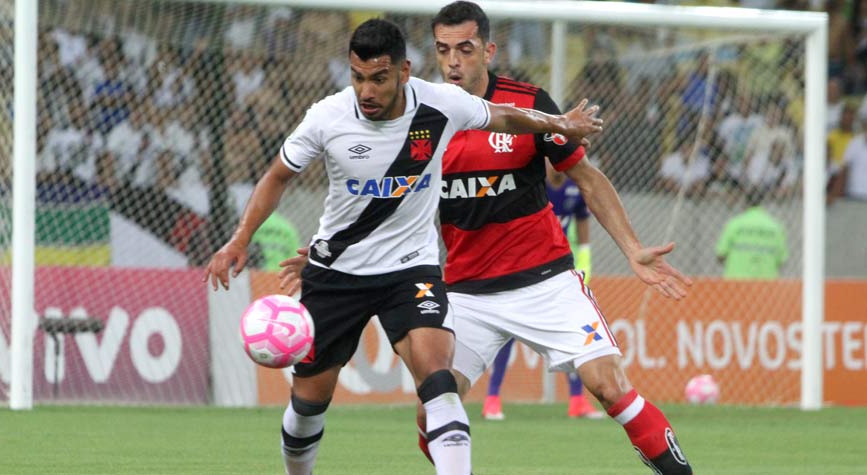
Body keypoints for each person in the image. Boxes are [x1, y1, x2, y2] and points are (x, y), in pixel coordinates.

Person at [280, 4, 693, 474]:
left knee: (609, 384)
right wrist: (325, 254)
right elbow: (385, 201)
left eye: (465, 49)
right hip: (467, 291)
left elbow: (586, 176)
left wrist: (633, 248)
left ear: (489, 51)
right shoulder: (421, 116)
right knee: (431, 408)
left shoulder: (526, 104)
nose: (453, 61)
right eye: (443, 50)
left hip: (545, 281)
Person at [204, 18, 603, 475]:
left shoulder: (442, 105)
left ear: (404, 71)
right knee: (309, 402)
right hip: (337, 274)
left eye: (378, 78)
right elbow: (277, 176)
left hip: (410, 271)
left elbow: (508, 116)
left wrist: (560, 123)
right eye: (357, 78)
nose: (366, 92)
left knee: (438, 381)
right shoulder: (326, 117)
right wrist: (239, 240)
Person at [482, 163, 602, 420]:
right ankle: (492, 398)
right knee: (508, 333)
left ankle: (577, 400)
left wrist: (585, 258)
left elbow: (582, 220)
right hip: (525, 269)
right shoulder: (531, 186)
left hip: (559, 270)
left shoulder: (574, 189)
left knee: (575, 331)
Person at [716, 189, 788, 279]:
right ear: (762, 204)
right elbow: (782, 260)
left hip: (736, 282)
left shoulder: (735, 224)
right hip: (767, 284)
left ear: (746, 203)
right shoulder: (775, 226)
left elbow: (721, 255)